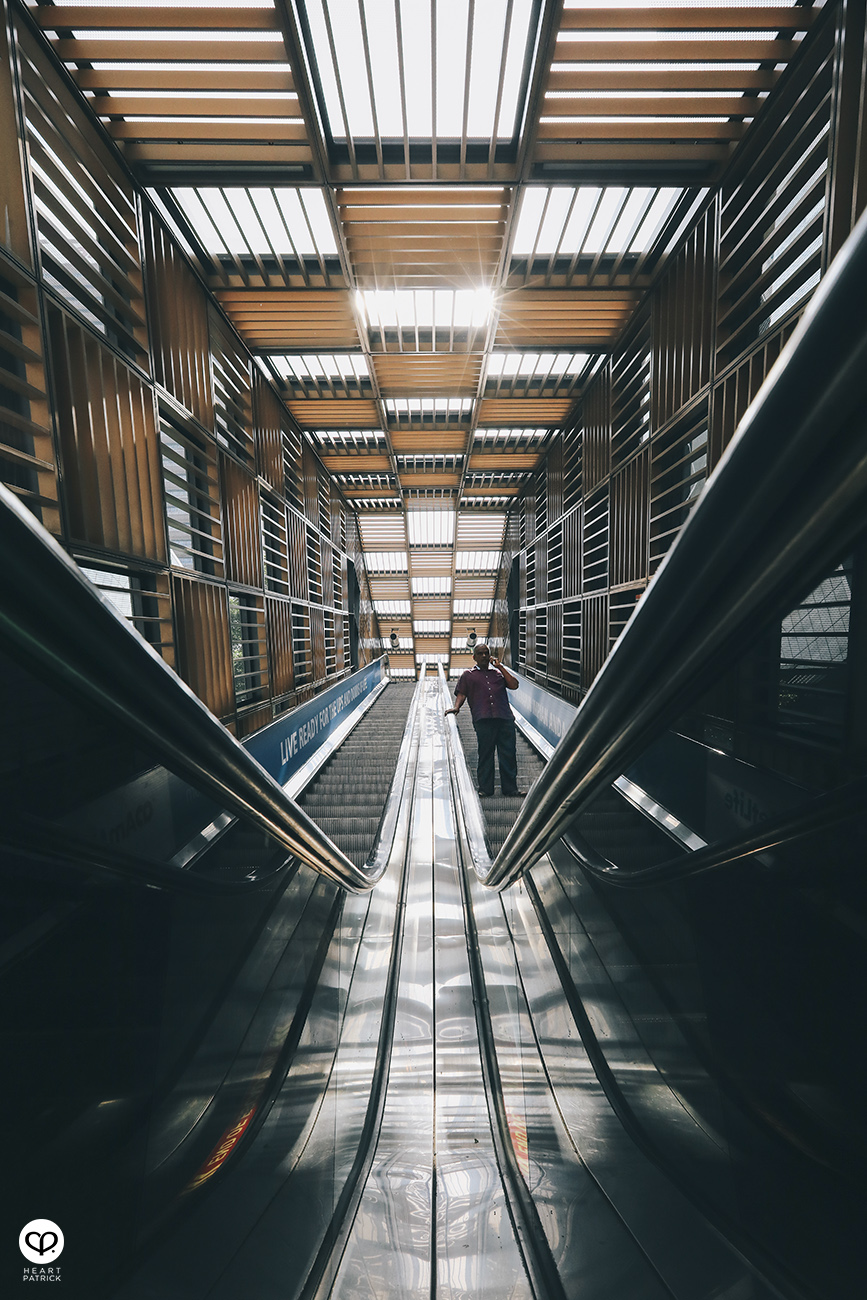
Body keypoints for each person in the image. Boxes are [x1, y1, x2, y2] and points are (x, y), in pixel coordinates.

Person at [445, 643, 526, 798]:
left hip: (504, 718)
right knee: (485, 754)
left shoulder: (498, 674)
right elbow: (461, 694)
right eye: (480, 653)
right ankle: (485, 789)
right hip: (483, 720)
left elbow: (514, 685)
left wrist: (501, 667)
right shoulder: (468, 675)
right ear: (474, 657)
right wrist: (456, 707)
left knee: (508, 754)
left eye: (486, 653)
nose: (484, 656)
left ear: (490, 656)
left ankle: (510, 789)